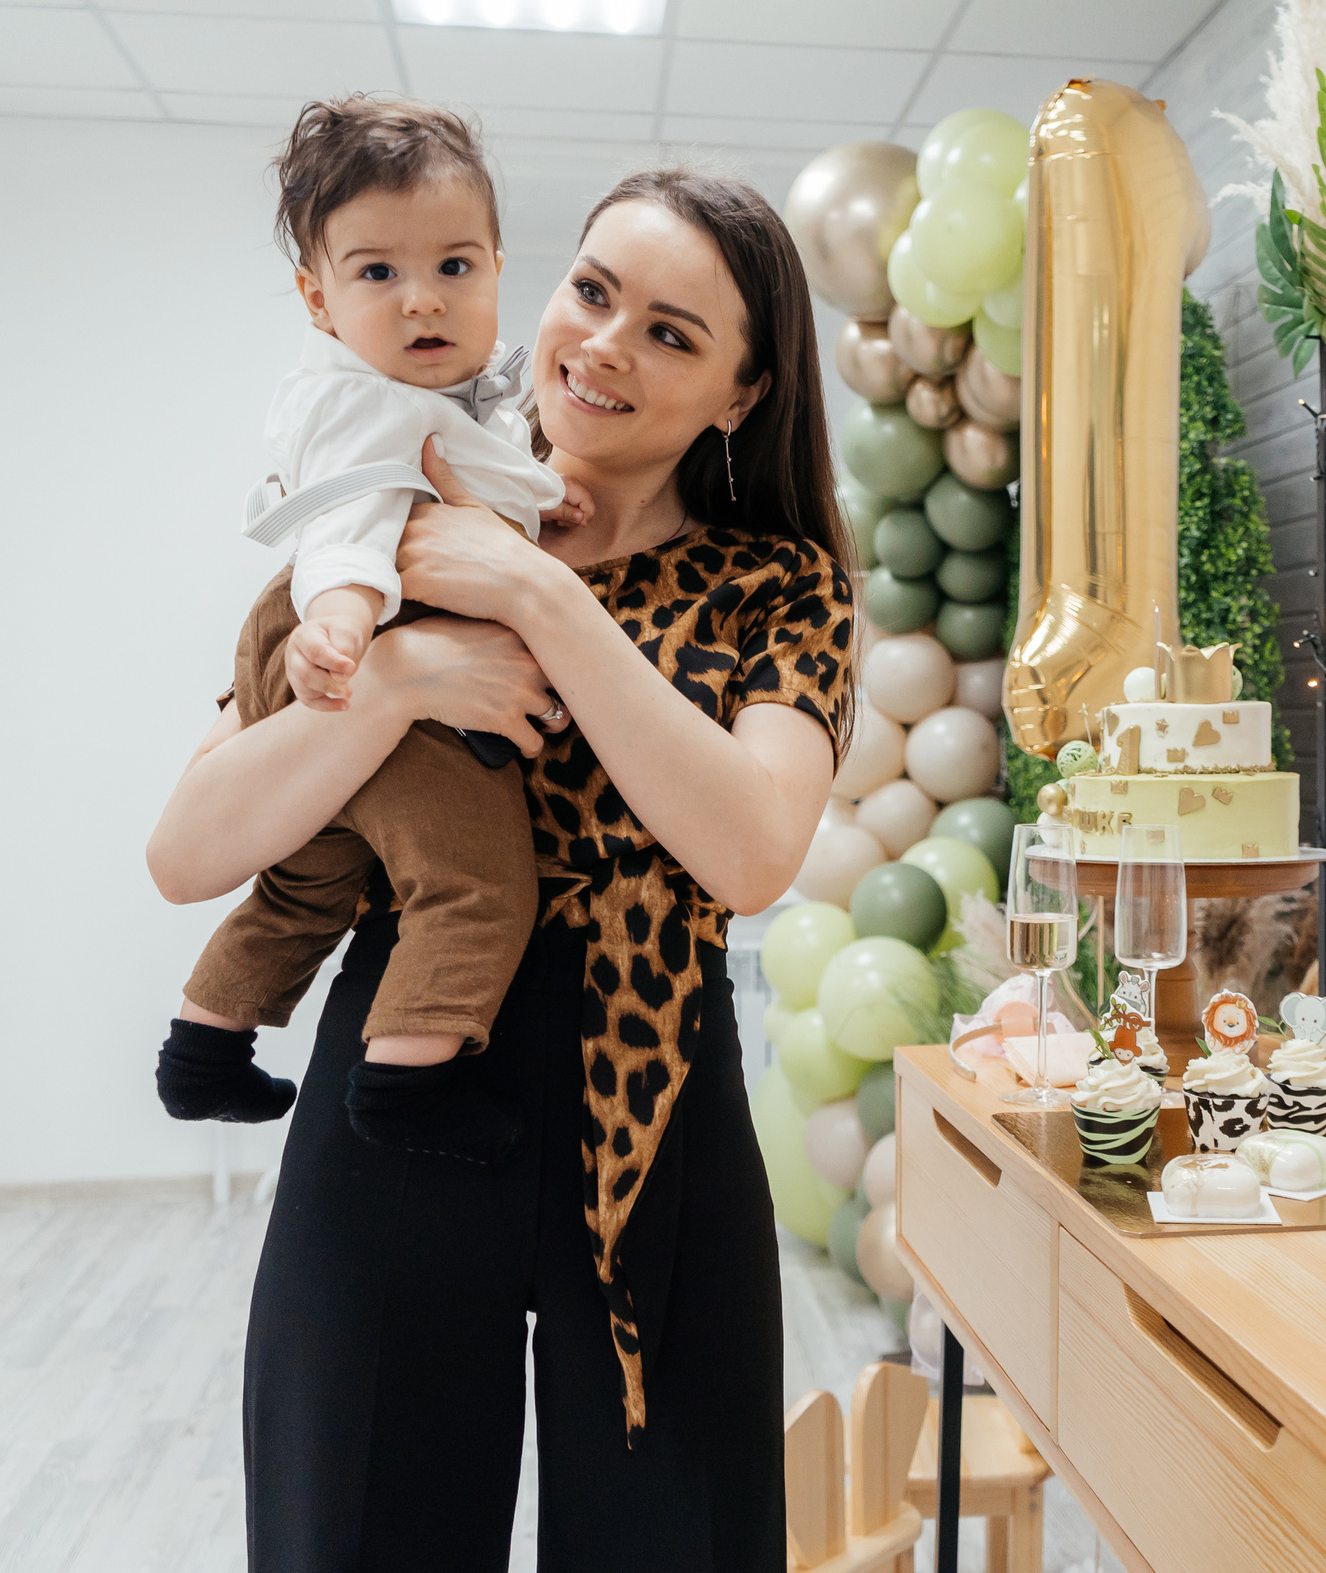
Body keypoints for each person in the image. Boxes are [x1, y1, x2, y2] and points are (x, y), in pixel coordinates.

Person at [146, 164, 853, 1569]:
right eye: (592, 291)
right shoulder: (386, 514)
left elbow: (753, 847)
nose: (602, 343)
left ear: (741, 393)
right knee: (353, 1530)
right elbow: (189, 848)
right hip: (406, 1075)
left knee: (676, 1545)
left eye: (672, 331)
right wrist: (402, 672)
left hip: (654, 1120)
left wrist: (536, 587)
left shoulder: (781, 587)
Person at [158, 97, 591, 1161]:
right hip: (344, 629)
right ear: (318, 298)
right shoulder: (366, 405)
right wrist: (349, 633)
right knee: (477, 883)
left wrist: (538, 497)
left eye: (453, 267)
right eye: (376, 274)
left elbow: (463, 473)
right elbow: (355, 534)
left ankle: (203, 1047)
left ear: (496, 265)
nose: (422, 302)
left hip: (323, 637)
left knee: (313, 876)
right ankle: (408, 1090)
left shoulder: (428, 398)